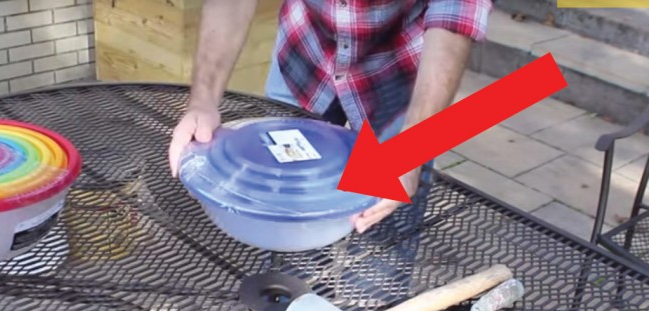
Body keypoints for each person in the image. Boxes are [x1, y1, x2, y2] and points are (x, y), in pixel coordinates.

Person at [169, 0, 492, 234]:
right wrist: (203, 102)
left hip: (402, 76)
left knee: (379, 242)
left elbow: (457, 11)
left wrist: (413, 148)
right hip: (306, 55)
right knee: (286, 216)